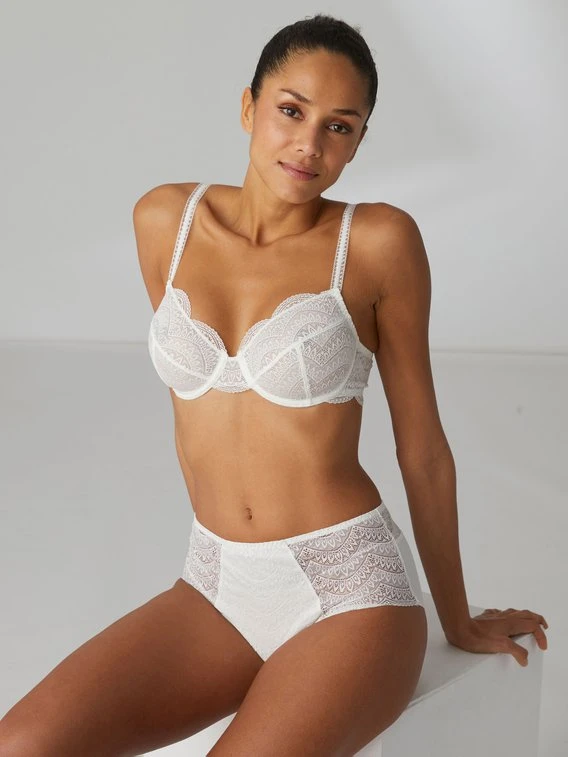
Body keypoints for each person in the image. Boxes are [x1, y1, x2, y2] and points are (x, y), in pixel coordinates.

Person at [0, 13, 548, 757]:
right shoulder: (164, 221)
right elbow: (198, 409)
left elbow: (422, 450)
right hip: (216, 581)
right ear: (248, 106)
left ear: (359, 141)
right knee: (23, 745)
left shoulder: (378, 242)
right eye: (291, 110)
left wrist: (455, 617)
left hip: (353, 592)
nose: (310, 144)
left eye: (340, 127)